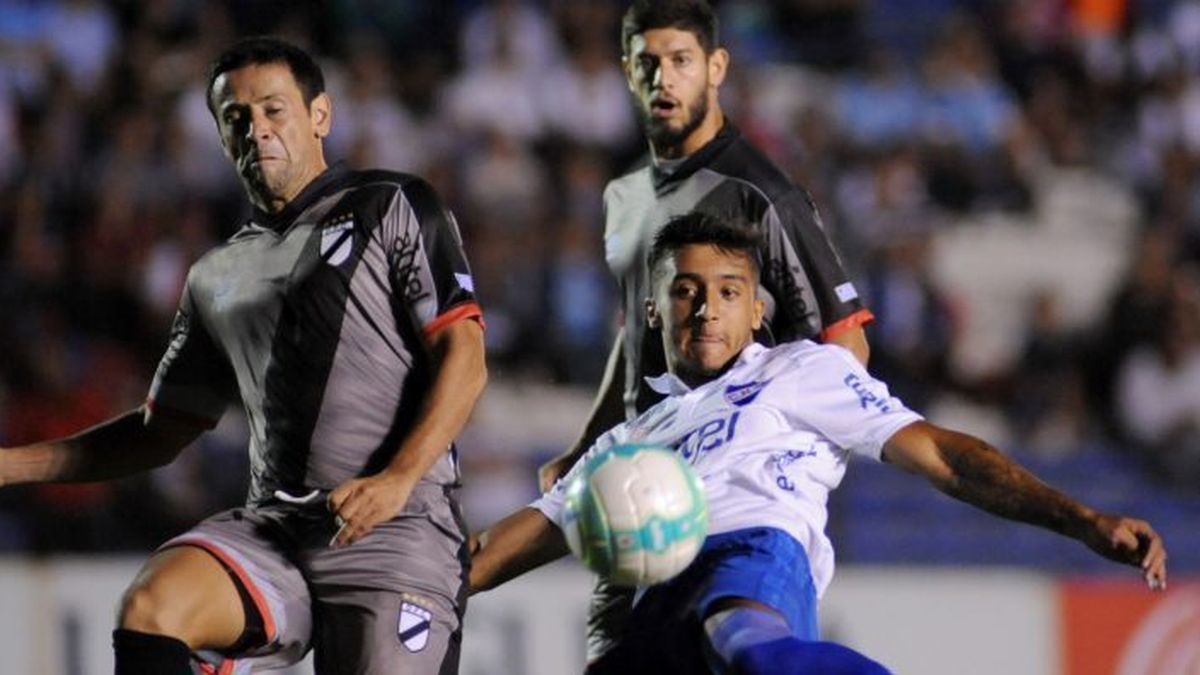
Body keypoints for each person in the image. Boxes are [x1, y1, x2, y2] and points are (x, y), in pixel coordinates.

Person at [472, 213, 1168, 675]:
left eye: (728, 290)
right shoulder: (623, 446)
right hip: (654, 607)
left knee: (744, 643)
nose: (707, 307)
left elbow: (946, 457)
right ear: (654, 308)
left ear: (756, 310)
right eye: (686, 290)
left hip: (750, 554)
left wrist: (1084, 519)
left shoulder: (801, 371)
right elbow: (491, 553)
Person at [0, 37, 487, 674]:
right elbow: (161, 431)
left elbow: (466, 356)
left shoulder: (392, 206)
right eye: (236, 117)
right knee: (153, 605)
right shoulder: (215, 274)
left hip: (397, 533)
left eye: (274, 110)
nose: (256, 129)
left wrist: (397, 480)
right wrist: (13, 465)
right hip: (276, 532)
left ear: (320, 117)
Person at [535, 1, 874, 662]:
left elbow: (845, 344)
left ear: (716, 68)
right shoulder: (626, 196)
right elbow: (638, 332)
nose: (665, 78)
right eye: (648, 64)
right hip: (637, 481)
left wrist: (783, 471)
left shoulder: (761, 193)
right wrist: (587, 443)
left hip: (723, 496)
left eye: (682, 61)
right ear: (627, 73)